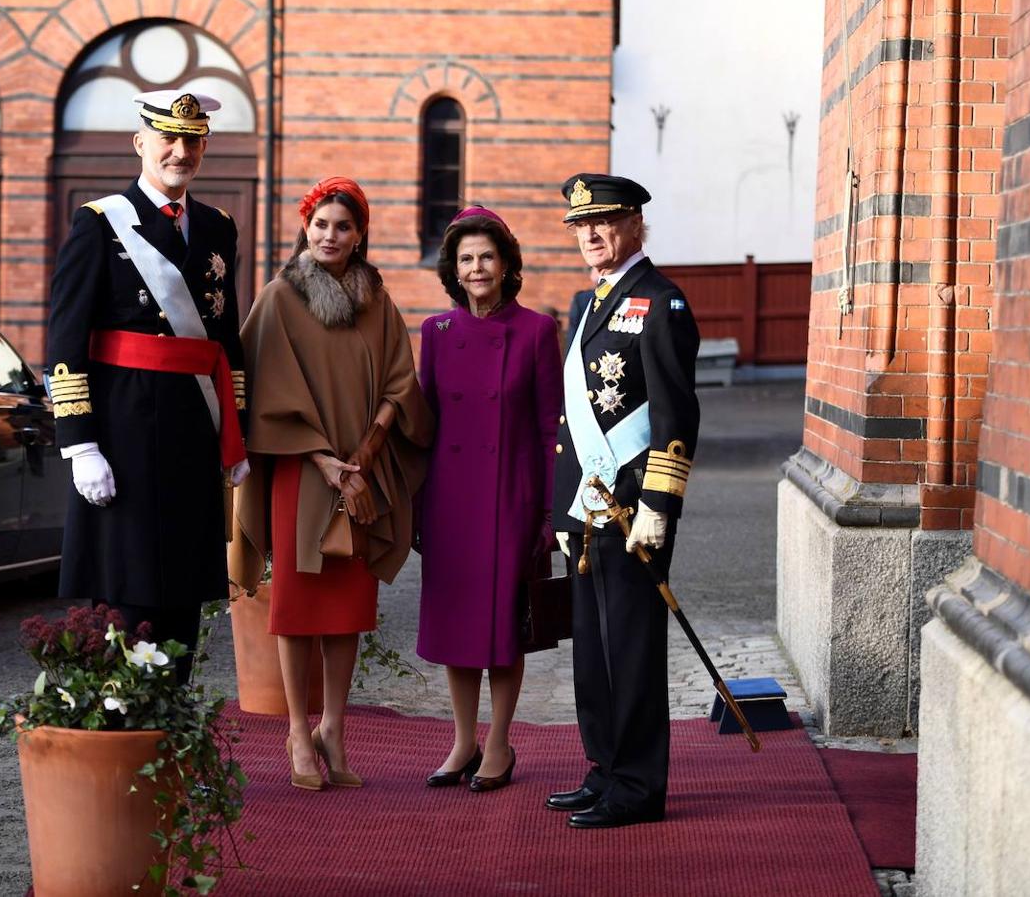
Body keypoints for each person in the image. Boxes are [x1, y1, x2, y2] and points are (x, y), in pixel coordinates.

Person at [232, 177, 432, 791]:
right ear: (305, 227)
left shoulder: (377, 300)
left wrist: (367, 453)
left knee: (348, 606)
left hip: (361, 474)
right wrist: (325, 461)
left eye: (343, 226)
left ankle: (335, 728)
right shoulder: (278, 298)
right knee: (296, 605)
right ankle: (296, 729)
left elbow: (402, 380)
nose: (331, 235)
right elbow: (262, 390)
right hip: (301, 470)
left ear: (360, 234)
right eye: (321, 224)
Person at [45, 89, 248, 668]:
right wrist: (80, 444)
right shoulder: (100, 223)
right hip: (122, 431)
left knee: (184, 589)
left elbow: (223, 337)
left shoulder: (216, 227)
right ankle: (122, 731)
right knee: (127, 591)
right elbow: (65, 340)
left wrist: (236, 429)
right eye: (168, 139)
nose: (180, 151)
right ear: (141, 143)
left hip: (191, 427)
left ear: (204, 147)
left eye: (192, 140)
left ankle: (173, 729)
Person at [548, 173, 701, 829]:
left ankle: (638, 786)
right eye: (581, 226)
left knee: (632, 651)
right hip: (588, 508)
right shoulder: (587, 302)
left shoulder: (661, 302)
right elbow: (569, 419)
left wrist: (658, 509)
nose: (590, 235)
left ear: (635, 224)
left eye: (603, 222)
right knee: (593, 650)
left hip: (632, 509)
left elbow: (675, 415)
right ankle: (605, 767)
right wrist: (562, 510)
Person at [414, 206, 561, 792]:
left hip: (510, 495)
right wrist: (417, 504)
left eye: (487, 257)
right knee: (456, 622)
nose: (477, 268)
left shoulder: (536, 331)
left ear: (506, 264)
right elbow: (425, 427)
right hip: (450, 498)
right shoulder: (436, 332)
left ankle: (499, 741)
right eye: (466, 259)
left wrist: (550, 511)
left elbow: (552, 427)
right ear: (454, 267)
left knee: (504, 623)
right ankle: (462, 740)